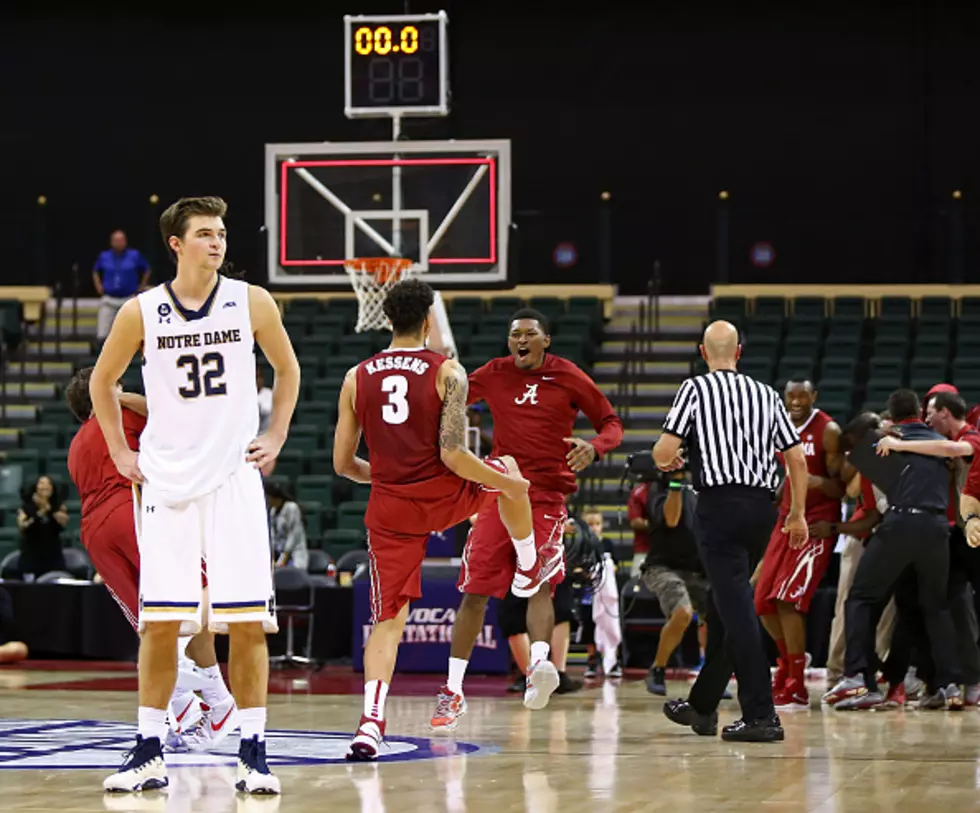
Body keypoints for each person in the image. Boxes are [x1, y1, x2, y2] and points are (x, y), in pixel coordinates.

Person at [92, 196, 299, 794]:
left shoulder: (251, 301)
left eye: (222, 233)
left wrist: (277, 433)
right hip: (166, 481)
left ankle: (254, 750)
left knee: (248, 623)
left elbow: (288, 370)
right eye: (205, 233)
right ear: (176, 244)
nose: (218, 242)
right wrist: (119, 452)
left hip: (233, 479)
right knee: (161, 624)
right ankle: (148, 749)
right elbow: (103, 381)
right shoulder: (141, 312)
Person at [332, 278, 534, 760]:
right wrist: (506, 485)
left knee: (388, 620)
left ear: (386, 319)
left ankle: (369, 725)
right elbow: (453, 454)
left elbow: (342, 465)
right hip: (445, 495)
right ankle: (529, 562)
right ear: (427, 321)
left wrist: (383, 477)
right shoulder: (449, 372)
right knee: (509, 471)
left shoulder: (356, 377)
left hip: (390, 507)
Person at [430, 307, 623, 730]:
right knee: (474, 591)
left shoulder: (568, 375)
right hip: (499, 492)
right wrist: (436, 368)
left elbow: (611, 423)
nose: (520, 340)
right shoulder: (495, 372)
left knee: (538, 583)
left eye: (529, 334)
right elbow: (451, 391)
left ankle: (539, 668)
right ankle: (452, 690)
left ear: (545, 341)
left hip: (547, 498)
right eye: (515, 334)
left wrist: (595, 447)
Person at [65, 366, 238, 748]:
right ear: (108, 392)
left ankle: (198, 704)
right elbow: (166, 413)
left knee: (148, 619)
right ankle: (187, 677)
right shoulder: (123, 413)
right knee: (197, 590)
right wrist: (115, 396)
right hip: (131, 509)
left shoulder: (76, 444)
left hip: (93, 532)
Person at [655, 320, 808, 743]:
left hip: (718, 507)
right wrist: (797, 514)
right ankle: (703, 706)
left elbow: (664, 451)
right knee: (728, 606)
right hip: (762, 510)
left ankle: (762, 715)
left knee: (738, 611)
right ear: (738, 352)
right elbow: (796, 460)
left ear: (703, 354)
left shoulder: (695, 389)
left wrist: (670, 458)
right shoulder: (766, 394)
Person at [824, 392, 962, 710]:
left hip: (900, 524)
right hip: (939, 529)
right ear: (919, 413)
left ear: (892, 416)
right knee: (934, 608)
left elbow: (860, 492)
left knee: (860, 598)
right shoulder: (942, 441)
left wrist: (870, 445)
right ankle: (947, 685)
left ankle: (859, 678)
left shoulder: (884, 443)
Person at [753, 379, 844, 710]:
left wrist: (814, 480)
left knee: (787, 601)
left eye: (803, 394)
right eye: (791, 395)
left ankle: (796, 682)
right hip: (786, 519)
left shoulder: (828, 430)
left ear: (814, 396)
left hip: (815, 524)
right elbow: (789, 471)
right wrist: (784, 487)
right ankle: (788, 663)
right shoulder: (779, 425)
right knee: (762, 600)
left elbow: (841, 487)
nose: (796, 400)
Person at [640, 470, 708, 696]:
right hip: (662, 567)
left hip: (699, 567)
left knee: (716, 618)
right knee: (683, 613)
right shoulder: (658, 486)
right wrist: (676, 481)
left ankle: (710, 675)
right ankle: (657, 669)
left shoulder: (706, 482)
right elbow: (671, 518)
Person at [93, 230, 151, 341]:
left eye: (121, 240)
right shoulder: (104, 256)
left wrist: (142, 285)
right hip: (109, 299)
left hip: (129, 299)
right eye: (116, 240)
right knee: (103, 331)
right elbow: (95, 271)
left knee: (133, 329)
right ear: (111, 242)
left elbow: (146, 269)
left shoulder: (134, 255)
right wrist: (98, 285)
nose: (119, 243)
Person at [16, 476, 68, 581]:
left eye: (48, 484)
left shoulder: (58, 506)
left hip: (53, 556)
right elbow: (23, 526)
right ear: (36, 488)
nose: (45, 486)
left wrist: (47, 508)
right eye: (41, 483)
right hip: (31, 556)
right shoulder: (26, 507)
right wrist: (41, 512)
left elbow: (63, 522)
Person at [266, 481, 309, 570]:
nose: (267, 500)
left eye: (269, 498)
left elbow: (294, 534)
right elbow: (272, 535)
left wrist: (285, 554)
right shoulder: (273, 511)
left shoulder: (291, 508)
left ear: (276, 498)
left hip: (295, 552)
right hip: (279, 551)